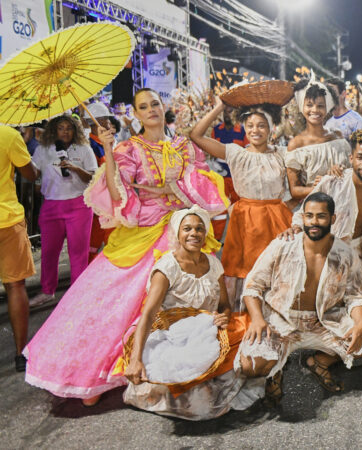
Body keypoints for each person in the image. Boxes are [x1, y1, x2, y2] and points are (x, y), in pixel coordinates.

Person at [24, 88, 229, 406]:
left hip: (178, 225)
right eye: (143, 107)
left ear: (164, 108)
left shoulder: (181, 144)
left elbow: (200, 179)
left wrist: (174, 185)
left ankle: (172, 365)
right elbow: (119, 192)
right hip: (143, 229)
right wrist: (107, 148)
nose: (151, 111)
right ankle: (98, 371)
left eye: (155, 105)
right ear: (135, 114)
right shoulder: (128, 149)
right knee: (118, 299)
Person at [236, 193, 362, 402]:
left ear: (332, 219)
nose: (314, 222)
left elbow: (357, 294)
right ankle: (276, 369)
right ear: (303, 218)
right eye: (309, 216)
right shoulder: (283, 245)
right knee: (251, 366)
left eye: (321, 216)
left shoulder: (344, 253)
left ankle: (319, 362)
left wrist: (361, 323)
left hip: (325, 321)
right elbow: (253, 286)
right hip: (281, 321)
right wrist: (257, 319)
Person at [281, 128, 362, 379]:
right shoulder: (334, 181)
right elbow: (305, 210)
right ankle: (325, 351)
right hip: (333, 253)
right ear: (351, 158)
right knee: (330, 305)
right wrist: (294, 227)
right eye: (360, 157)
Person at [123, 206, 261, 420]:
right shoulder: (167, 268)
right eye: (187, 229)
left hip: (206, 332)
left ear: (205, 233)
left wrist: (223, 315)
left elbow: (224, 304)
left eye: (199, 229)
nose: (194, 234)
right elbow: (148, 315)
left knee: (254, 334)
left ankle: (209, 378)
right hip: (175, 338)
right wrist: (136, 360)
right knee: (201, 407)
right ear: (177, 233)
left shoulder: (213, 263)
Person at [190, 96, 292, 312]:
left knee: (277, 272)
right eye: (251, 125)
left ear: (271, 127)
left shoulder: (283, 154)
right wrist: (219, 107)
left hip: (277, 220)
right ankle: (243, 321)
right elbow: (196, 135)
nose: (256, 130)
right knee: (242, 271)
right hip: (244, 222)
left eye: (262, 125)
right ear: (244, 128)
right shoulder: (235, 153)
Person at [28, 116, 97, 307]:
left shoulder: (84, 149)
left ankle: (78, 295)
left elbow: (92, 177)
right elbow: (33, 173)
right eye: (61, 128)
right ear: (54, 130)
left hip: (79, 206)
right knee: (49, 252)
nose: (65, 131)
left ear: (75, 130)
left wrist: (75, 168)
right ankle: (47, 291)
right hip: (51, 206)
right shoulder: (43, 150)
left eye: (69, 128)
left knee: (78, 252)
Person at [0, 125, 39, 371]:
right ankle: (19, 353)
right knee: (15, 285)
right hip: (7, 221)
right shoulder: (7, 135)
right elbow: (31, 174)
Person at [285, 78, 352, 204]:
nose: (315, 110)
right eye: (309, 105)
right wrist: (320, 186)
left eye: (320, 106)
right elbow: (294, 190)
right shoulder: (296, 144)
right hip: (314, 207)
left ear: (327, 108)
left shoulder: (337, 136)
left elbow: (352, 169)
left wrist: (342, 170)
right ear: (301, 107)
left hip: (343, 203)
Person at [85, 103, 115, 263]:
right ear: (101, 121)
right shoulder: (92, 146)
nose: (110, 124)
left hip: (109, 201)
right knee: (95, 242)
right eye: (108, 121)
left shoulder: (103, 144)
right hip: (100, 203)